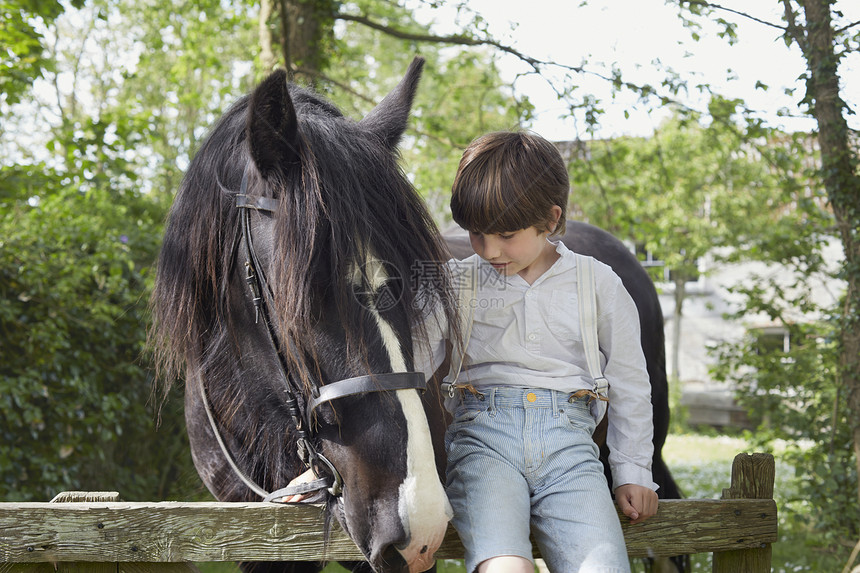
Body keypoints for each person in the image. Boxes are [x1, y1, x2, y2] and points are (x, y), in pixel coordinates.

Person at [413, 130, 658, 573]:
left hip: (571, 448)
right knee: (506, 567)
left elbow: (629, 382)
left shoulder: (597, 282)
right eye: (476, 234)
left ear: (550, 218)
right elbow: (407, 372)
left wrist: (633, 471)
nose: (489, 250)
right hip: (482, 443)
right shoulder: (455, 281)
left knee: (603, 568)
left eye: (506, 234)